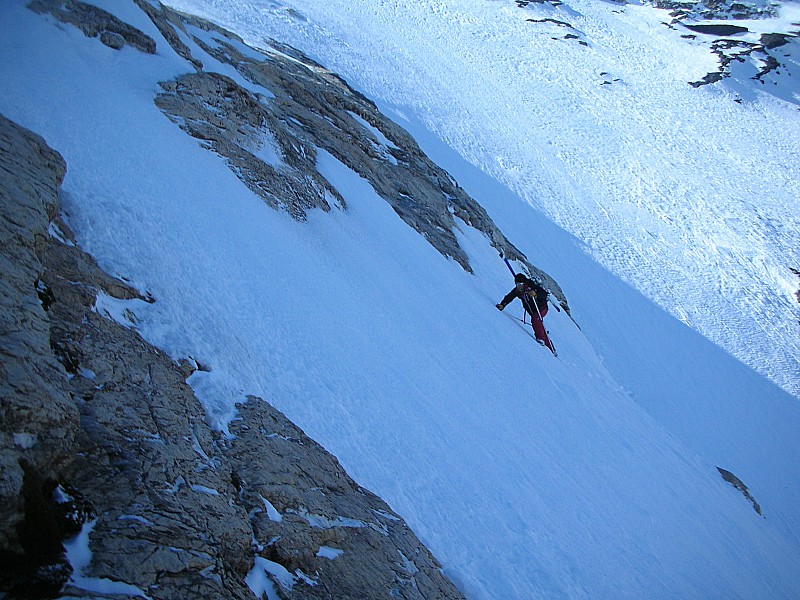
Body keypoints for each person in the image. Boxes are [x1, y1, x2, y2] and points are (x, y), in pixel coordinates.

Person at [496, 273, 555, 352]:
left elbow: (543, 294)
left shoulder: (531, 286)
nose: (518, 286)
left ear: (524, 283)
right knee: (539, 324)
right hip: (532, 311)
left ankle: (541, 338)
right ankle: (550, 347)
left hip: (541, 308)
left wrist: (535, 294)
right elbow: (509, 297)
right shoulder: (518, 290)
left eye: (520, 284)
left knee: (536, 320)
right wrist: (503, 305)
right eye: (516, 284)